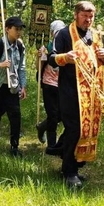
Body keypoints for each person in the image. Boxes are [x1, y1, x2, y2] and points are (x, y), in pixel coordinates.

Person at [49, 1, 104, 188]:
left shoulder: (96, 35)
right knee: (74, 129)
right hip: (70, 91)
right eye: (85, 16)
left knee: (87, 130)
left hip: (92, 94)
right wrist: (65, 58)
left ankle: (74, 163)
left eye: (91, 16)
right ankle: (69, 171)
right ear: (76, 14)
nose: (88, 20)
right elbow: (51, 59)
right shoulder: (64, 34)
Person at [0, 16, 27, 157]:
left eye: (20, 29)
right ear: (7, 29)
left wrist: (23, 86)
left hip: (12, 87)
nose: (19, 32)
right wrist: (0, 65)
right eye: (16, 29)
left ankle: (14, 147)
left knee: (15, 116)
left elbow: (22, 68)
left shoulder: (20, 47)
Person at [36, 20, 66, 148]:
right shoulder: (46, 47)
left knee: (63, 114)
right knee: (52, 115)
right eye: (55, 32)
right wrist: (39, 58)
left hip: (63, 85)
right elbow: (39, 67)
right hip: (49, 84)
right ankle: (52, 145)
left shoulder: (67, 46)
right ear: (52, 33)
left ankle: (42, 127)